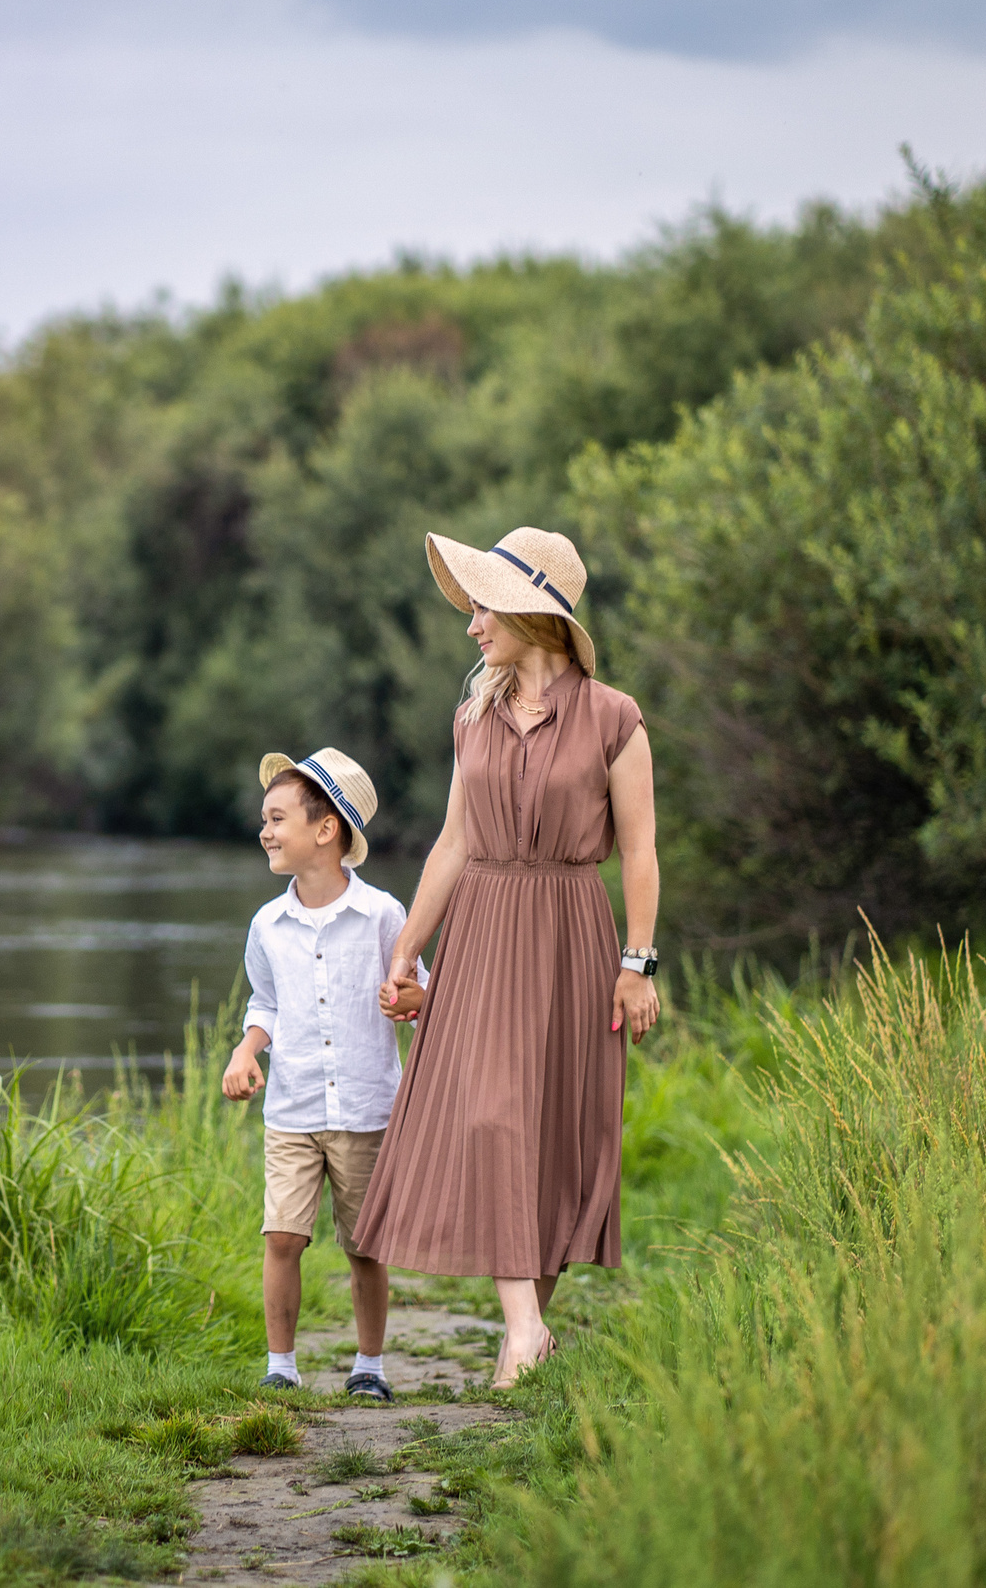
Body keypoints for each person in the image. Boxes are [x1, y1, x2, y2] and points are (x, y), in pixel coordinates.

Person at [348, 526, 660, 1389]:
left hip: (572, 929)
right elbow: (452, 842)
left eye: (484, 604)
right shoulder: (473, 716)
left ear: (533, 611)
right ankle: (525, 1327)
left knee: (554, 1130)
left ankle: (527, 1333)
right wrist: (407, 951)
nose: (472, 622)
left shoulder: (614, 717)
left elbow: (638, 851)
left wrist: (640, 962)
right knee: (492, 1117)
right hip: (482, 930)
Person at [221, 747, 426, 1400]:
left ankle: (371, 1366)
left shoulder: (385, 916)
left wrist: (412, 1002)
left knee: (365, 1244)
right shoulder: (267, 924)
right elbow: (267, 1002)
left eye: (278, 817)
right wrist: (245, 1051)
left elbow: (419, 993)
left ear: (326, 828)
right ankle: (281, 1365)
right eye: (265, 818)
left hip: (368, 1108)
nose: (266, 830)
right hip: (293, 1107)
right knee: (282, 1235)